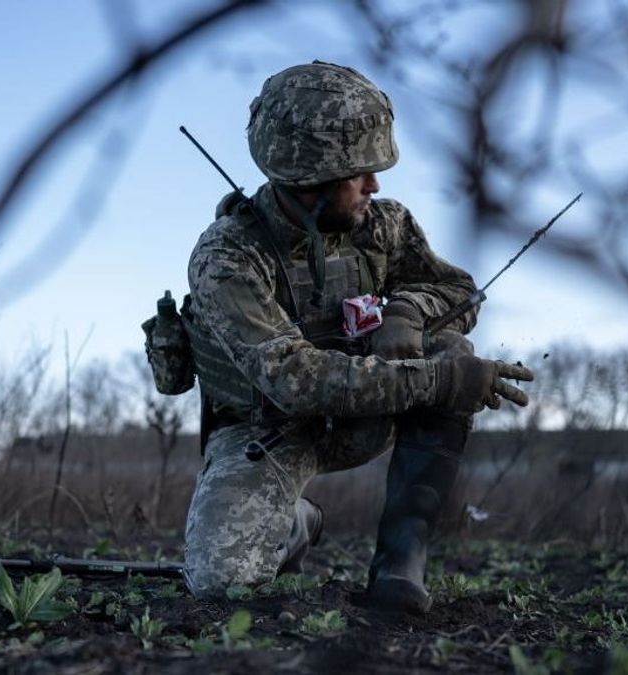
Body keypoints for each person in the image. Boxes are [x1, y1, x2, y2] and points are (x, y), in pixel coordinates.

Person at [155, 61, 533, 614]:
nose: (374, 185)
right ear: (311, 182)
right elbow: (295, 382)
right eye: (359, 173)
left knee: (450, 345)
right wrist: (436, 382)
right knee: (220, 582)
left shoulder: (383, 225)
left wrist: (408, 309)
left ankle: (401, 563)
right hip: (268, 431)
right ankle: (296, 523)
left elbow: (459, 290)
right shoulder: (227, 257)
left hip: (364, 417)